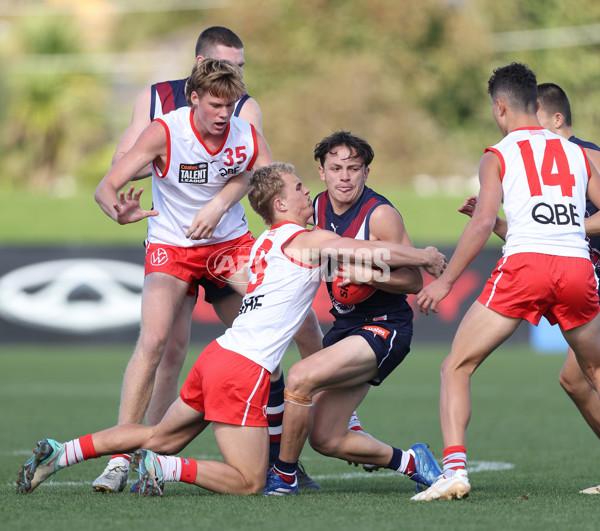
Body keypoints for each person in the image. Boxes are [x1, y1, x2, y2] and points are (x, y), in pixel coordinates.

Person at [17, 162, 448, 497]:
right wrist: (424, 255)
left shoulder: (262, 244)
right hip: (243, 369)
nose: (306, 192)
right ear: (280, 204)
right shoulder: (304, 239)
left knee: (158, 435)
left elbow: (331, 268)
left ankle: (62, 452)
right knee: (248, 481)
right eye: (298, 188)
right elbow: (369, 249)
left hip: (217, 356)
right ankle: (163, 469)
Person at [93, 28, 322, 492]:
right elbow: (106, 185)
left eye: (232, 96)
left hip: (228, 245)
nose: (225, 112)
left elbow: (264, 179)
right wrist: (119, 211)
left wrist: (220, 204)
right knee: (156, 342)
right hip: (172, 245)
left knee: (274, 336)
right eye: (216, 102)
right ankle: (121, 460)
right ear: (194, 87)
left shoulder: (244, 124)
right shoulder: (164, 124)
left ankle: (286, 462)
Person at [411, 63, 600, 501]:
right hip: (575, 267)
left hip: (526, 267)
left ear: (500, 108)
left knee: (456, 366)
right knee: (594, 370)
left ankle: (454, 471)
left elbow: (480, 226)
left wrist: (445, 283)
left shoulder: (497, 155)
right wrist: (569, 230)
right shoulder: (577, 153)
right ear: (537, 105)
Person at [263, 131, 444, 495]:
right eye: (336, 168)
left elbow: (412, 281)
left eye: (353, 168)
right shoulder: (314, 208)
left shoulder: (380, 215)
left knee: (298, 377)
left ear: (366, 172)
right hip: (345, 326)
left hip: (385, 328)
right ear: (322, 172)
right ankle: (413, 461)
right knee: (326, 439)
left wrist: (368, 275)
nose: (344, 176)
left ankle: (283, 477)